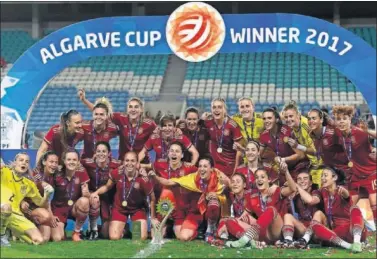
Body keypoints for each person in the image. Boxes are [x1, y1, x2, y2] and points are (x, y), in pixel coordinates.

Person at [149, 156, 230, 242]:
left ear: (211, 169)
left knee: (213, 202)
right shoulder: (193, 178)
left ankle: (210, 230)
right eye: (200, 166)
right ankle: (199, 231)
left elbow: (231, 188)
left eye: (205, 166)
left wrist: (224, 188)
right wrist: (155, 177)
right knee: (183, 237)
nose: (202, 169)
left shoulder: (219, 177)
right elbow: (169, 182)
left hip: (215, 212)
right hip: (197, 213)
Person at [294, 166, 365, 253]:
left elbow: (346, 195)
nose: (322, 178)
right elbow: (311, 200)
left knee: (355, 208)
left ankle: (357, 242)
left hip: (351, 231)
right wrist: (297, 186)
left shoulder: (341, 190)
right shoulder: (321, 191)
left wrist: (344, 193)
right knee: (317, 216)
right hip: (336, 234)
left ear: (334, 177)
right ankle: (348, 246)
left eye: (325, 175)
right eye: (322, 176)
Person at [225, 162, 296, 248]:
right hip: (262, 233)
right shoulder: (253, 196)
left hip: (276, 232)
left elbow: (293, 189)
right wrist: (235, 222)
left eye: (262, 177)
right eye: (257, 177)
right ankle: (250, 242)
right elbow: (244, 215)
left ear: (269, 180)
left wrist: (286, 172)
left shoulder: (276, 191)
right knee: (230, 220)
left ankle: (245, 239)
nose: (259, 179)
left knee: (271, 209)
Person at [90, 152, 155, 241]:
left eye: (133, 161)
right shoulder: (117, 173)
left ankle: (137, 228)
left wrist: (153, 218)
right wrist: (96, 193)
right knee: (114, 237)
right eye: (127, 160)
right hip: (120, 208)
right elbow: (107, 186)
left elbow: (152, 198)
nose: (129, 163)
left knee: (138, 237)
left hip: (137, 209)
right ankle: (124, 229)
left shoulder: (143, 178)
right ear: (123, 162)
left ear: (137, 163)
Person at [79, 90, 157, 162]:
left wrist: (146, 148)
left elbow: (159, 133)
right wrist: (84, 100)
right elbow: (101, 112)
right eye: (130, 107)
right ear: (127, 109)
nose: (133, 109)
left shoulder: (149, 124)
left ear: (142, 110)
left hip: (142, 160)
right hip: (123, 161)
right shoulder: (121, 118)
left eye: (136, 107)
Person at [142, 141, 198, 239]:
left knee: (182, 237)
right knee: (155, 236)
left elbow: (204, 173)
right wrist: (141, 170)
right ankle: (165, 225)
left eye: (177, 151)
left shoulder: (189, 168)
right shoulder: (159, 165)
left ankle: (176, 227)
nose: (174, 153)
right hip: (163, 209)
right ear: (168, 153)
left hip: (180, 210)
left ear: (182, 155)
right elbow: (143, 167)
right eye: (171, 151)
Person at [332, 105, 376, 227]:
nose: (341, 121)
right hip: (356, 175)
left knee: (374, 203)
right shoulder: (339, 135)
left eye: (344, 118)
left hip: (371, 173)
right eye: (338, 119)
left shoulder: (359, 132)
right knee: (349, 204)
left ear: (350, 119)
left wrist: (367, 132)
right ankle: (361, 227)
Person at [1, 153, 54, 246]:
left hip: (16, 215)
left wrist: (47, 195)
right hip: (3, 209)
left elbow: (41, 203)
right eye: (21, 160)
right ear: (14, 163)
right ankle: (2, 236)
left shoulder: (29, 184)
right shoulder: (5, 171)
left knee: (39, 240)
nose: (24, 163)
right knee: (6, 207)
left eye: (27, 161)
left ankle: (14, 231)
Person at [81, 141, 121, 239]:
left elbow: (130, 167)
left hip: (108, 198)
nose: (101, 154)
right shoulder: (87, 163)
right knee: (94, 199)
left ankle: (119, 228)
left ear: (109, 153)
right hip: (92, 196)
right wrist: (84, 185)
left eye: (104, 151)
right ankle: (92, 229)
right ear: (95, 153)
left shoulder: (116, 164)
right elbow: (75, 166)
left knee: (106, 234)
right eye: (98, 151)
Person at [50, 150, 90, 242]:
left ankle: (76, 232)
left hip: (74, 208)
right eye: (69, 159)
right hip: (58, 209)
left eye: (74, 160)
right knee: (57, 238)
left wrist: (86, 194)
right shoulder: (57, 173)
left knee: (84, 201)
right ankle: (61, 227)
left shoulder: (82, 172)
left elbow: (86, 195)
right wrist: (50, 214)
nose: (71, 162)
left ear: (78, 161)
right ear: (64, 161)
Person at [259, 107, 307, 184]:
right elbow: (259, 155)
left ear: (277, 119)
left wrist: (282, 159)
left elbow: (301, 155)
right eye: (264, 119)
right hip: (284, 169)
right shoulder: (263, 135)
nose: (266, 121)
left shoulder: (287, 131)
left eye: (269, 118)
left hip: (298, 167)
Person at [21, 151, 60, 243]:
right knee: (45, 236)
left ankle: (34, 227)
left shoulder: (52, 176)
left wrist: (52, 215)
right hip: (28, 209)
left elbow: (47, 200)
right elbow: (22, 192)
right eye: (51, 162)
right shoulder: (36, 175)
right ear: (44, 162)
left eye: (56, 162)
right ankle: (21, 230)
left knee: (52, 238)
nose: (54, 165)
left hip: (41, 208)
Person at [278, 169, 323, 248]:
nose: (302, 181)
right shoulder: (295, 197)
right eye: (299, 179)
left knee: (318, 213)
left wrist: (296, 185)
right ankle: (288, 241)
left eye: (305, 178)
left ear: (311, 183)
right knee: (287, 216)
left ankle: (304, 240)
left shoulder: (317, 192)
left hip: (318, 231)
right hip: (304, 231)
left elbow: (311, 201)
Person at [282, 101, 323, 186]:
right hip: (313, 165)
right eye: (286, 117)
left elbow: (316, 151)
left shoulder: (307, 126)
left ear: (298, 115)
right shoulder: (294, 130)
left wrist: (298, 146)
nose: (288, 119)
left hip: (322, 165)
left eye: (291, 116)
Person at [203, 98, 244, 176]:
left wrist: (235, 170)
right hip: (214, 165)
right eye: (214, 107)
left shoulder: (232, 125)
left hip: (229, 165)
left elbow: (239, 150)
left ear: (225, 110)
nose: (216, 110)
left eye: (219, 107)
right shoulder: (208, 123)